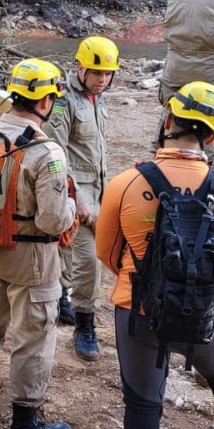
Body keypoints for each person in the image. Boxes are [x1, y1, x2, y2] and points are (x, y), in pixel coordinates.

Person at [94, 82, 214, 429]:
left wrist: (149, 280)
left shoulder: (124, 184)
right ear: (212, 136)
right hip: (203, 312)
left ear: (167, 121)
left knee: (142, 403)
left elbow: (107, 254)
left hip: (138, 309)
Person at [0, 58, 76, 429]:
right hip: (35, 261)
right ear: (44, 100)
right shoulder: (48, 154)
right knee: (33, 340)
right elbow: (54, 222)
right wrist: (78, 208)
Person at [45, 37, 119, 362]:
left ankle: (62, 299)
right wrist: (78, 198)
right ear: (80, 67)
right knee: (89, 260)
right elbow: (56, 155)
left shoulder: (97, 99)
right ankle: (84, 326)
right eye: (97, 72)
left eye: (108, 73)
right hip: (76, 196)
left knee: (67, 251)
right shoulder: (65, 103)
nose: (103, 79)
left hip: (99, 192)